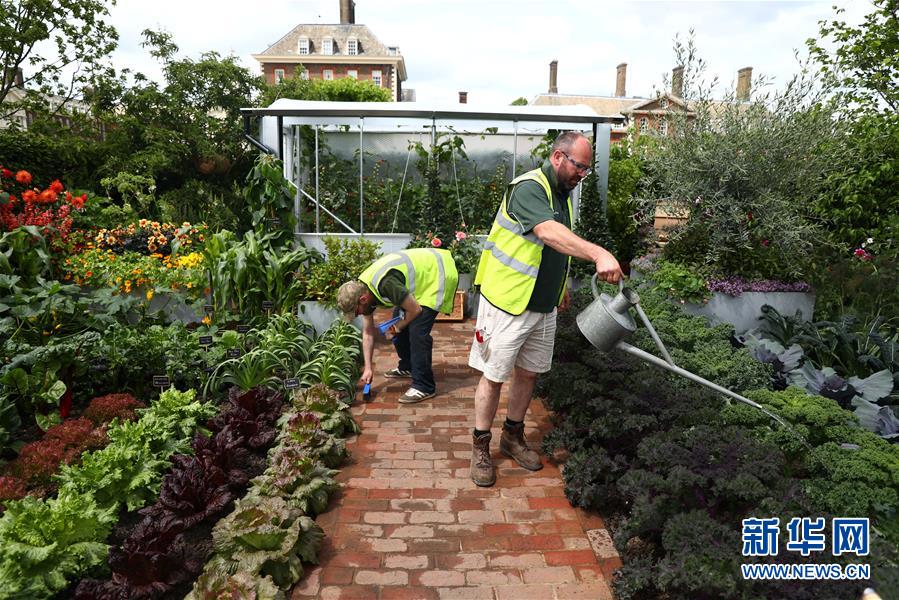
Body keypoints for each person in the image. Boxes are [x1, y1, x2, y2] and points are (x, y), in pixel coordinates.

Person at [468, 131, 623, 487]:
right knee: (494, 376)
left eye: (586, 169)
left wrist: (562, 284)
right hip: (508, 303)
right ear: (557, 157)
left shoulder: (563, 193)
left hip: (542, 304)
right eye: (579, 166)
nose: (582, 175)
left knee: (529, 372)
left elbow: (553, 249)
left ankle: (512, 435)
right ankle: (480, 446)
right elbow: (549, 232)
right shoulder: (528, 188)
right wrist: (599, 253)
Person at [337, 247, 459, 404]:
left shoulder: (386, 284)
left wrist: (397, 328)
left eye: (356, 311)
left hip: (438, 272)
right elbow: (368, 333)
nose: (358, 315)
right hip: (424, 275)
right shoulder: (364, 290)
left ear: (363, 299)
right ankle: (408, 365)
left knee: (417, 330)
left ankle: (424, 386)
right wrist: (368, 368)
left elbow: (415, 309)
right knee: (398, 317)